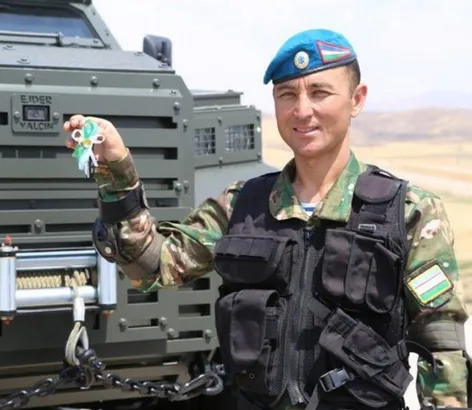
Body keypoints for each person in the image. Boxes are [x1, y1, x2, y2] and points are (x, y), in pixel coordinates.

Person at [63, 28, 470, 410]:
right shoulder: (243, 205)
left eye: (320, 92)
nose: (302, 110)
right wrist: (117, 173)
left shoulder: (407, 211)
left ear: (357, 99)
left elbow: (441, 343)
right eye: (287, 94)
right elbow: (151, 266)